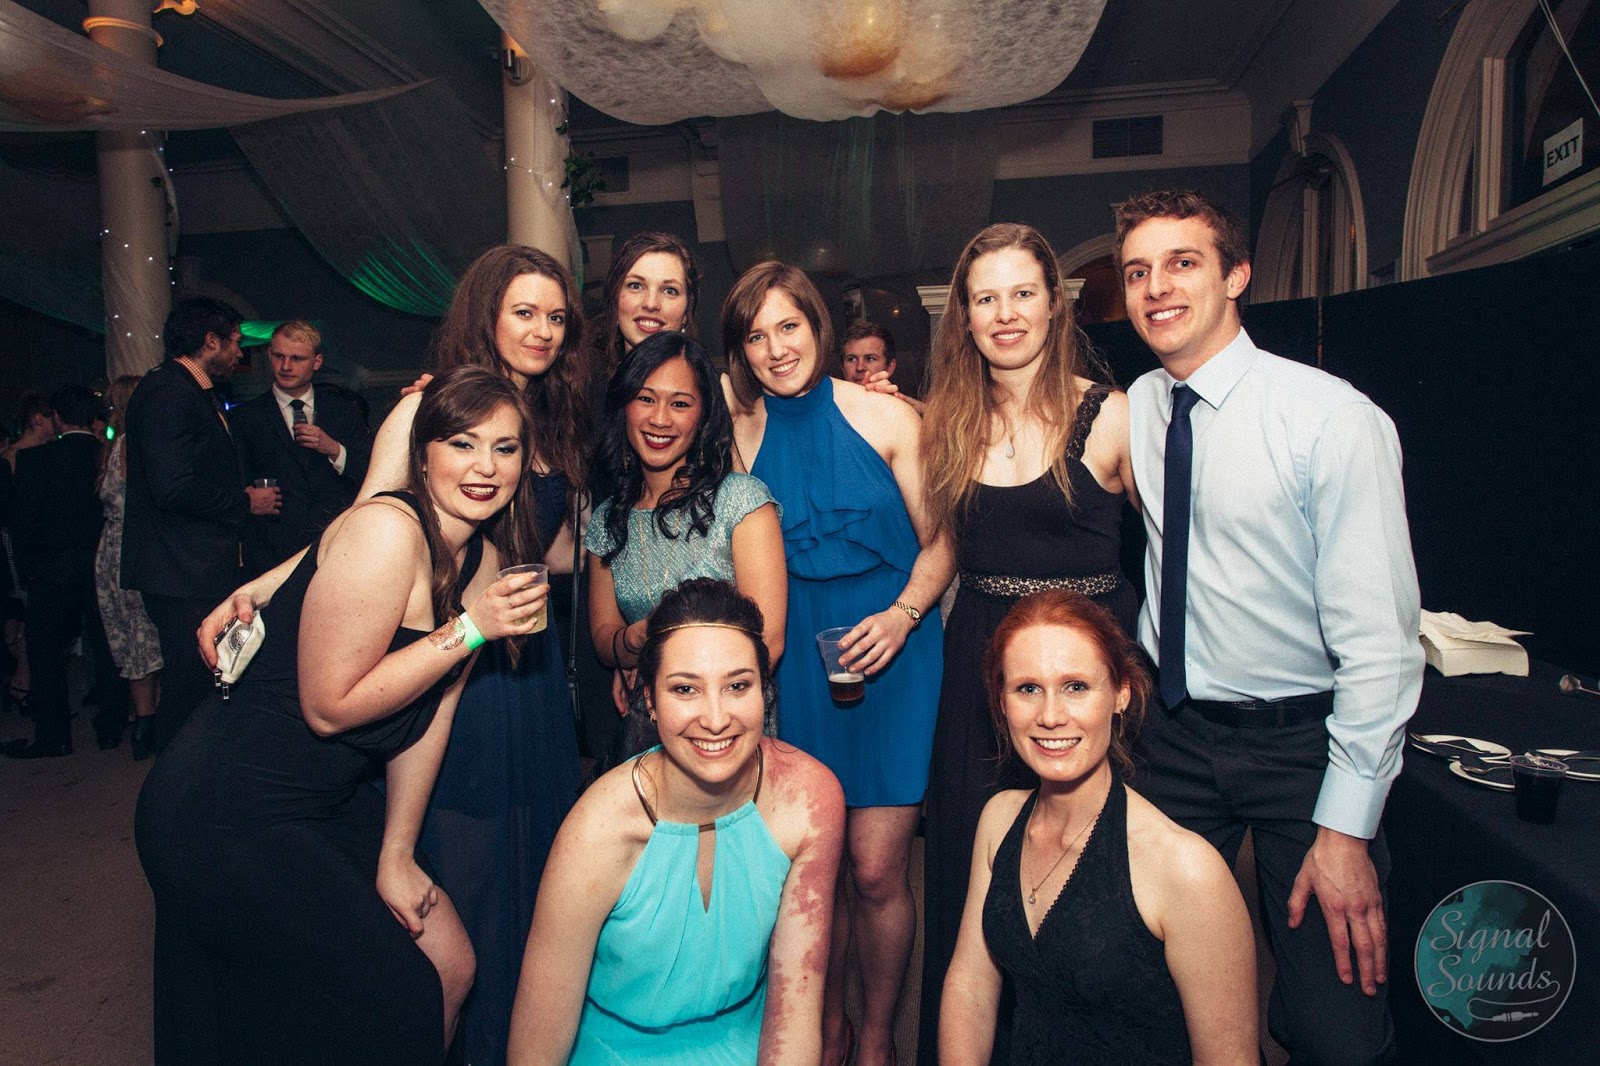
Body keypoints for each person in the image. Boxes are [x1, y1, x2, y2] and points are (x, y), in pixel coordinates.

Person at [200, 245, 588, 1066]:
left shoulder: (549, 420)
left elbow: (552, 547)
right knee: (464, 859)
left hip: (523, 659)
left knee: (536, 862)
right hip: (457, 654)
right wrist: (263, 586)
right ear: (486, 313)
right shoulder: (428, 409)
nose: (543, 331)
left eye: (556, 317)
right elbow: (367, 525)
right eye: (524, 312)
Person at [136, 367, 547, 1064]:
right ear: (422, 454)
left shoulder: (481, 563)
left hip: (320, 801)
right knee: (388, 997)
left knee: (451, 966)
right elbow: (329, 709)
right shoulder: (386, 532)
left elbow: (434, 706)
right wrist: (471, 629)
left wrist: (397, 853)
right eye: (463, 444)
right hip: (224, 808)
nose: (485, 467)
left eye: (505, 449)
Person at [1116, 189, 1422, 1063]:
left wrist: (1347, 827)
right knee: (1136, 985)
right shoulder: (1140, 405)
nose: (1156, 287)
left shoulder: (1332, 421)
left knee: (1337, 1028)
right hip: (1173, 735)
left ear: (1237, 275)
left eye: (1183, 263)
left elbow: (1382, 647)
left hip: (1302, 748)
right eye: (1137, 272)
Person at [915, 222, 1139, 1060]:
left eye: (1021, 294)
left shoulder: (1109, 415)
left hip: (1083, 672)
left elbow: (1177, 547)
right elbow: (947, 545)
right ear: (965, 317)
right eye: (986, 298)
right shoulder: (950, 421)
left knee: (1088, 878)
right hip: (981, 668)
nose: (1004, 314)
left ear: (1054, 305)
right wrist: (901, 614)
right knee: (974, 875)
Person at [722, 262, 949, 1066]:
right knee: (817, 866)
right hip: (798, 663)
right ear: (741, 351)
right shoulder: (738, 433)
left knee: (877, 868)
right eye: (756, 335)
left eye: (789, 326)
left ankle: (878, 1033)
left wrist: (902, 617)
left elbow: (943, 542)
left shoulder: (886, 415)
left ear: (817, 327)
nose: (776, 348)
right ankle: (829, 1028)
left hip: (896, 650)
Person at [508, 577, 844, 1065]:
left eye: (737, 686)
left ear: (765, 690)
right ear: (649, 699)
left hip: (744, 1045)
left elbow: (794, 1016)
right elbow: (534, 1051)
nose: (715, 718)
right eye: (685, 689)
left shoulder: (809, 798)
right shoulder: (596, 832)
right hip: (615, 1052)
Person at [940, 589, 1257, 1065]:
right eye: (1027, 689)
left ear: (1120, 694)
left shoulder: (1186, 868)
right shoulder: (999, 820)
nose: (1050, 716)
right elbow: (971, 986)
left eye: (1076, 687)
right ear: (1001, 702)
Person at [586, 329, 785, 755]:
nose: (660, 419)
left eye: (680, 403)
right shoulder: (608, 519)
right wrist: (637, 640)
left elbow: (768, 639)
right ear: (624, 406)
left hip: (728, 723)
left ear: (703, 416)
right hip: (647, 723)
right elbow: (604, 639)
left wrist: (690, 693)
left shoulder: (741, 501)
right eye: (645, 398)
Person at [122, 297, 278, 751]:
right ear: (211, 341)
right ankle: (175, 781)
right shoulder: (168, 392)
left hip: (191, 566)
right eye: (234, 343)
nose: (238, 353)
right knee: (190, 687)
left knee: (204, 683)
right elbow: (172, 487)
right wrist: (244, 502)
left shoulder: (190, 389)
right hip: (180, 570)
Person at [579, 231, 703, 763]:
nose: (651, 303)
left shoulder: (712, 389)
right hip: (606, 613)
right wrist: (627, 648)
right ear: (614, 296)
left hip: (698, 629)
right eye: (636, 285)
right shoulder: (576, 391)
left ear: (688, 307)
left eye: (669, 290)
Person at [5, 385, 104, 758]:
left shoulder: (36, 459)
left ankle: (54, 736)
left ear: (58, 417)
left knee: (44, 652)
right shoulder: (104, 454)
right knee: (105, 646)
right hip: (97, 564)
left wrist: (29, 569)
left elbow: (24, 522)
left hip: (52, 567)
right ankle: (112, 726)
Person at [230, 320, 371, 575]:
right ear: (269, 355)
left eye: (297, 358)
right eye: (279, 356)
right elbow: (233, 482)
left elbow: (370, 473)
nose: (286, 366)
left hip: (336, 547)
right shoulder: (244, 419)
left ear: (316, 362)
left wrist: (334, 449)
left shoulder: (344, 412)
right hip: (271, 554)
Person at [94, 375, 163, 760]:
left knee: (133, 638)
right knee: (144, 636)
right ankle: (149, 723)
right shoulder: (137, 444)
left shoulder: (113, 444)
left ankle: (143, 721)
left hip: (112, 550)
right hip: (136, 549)